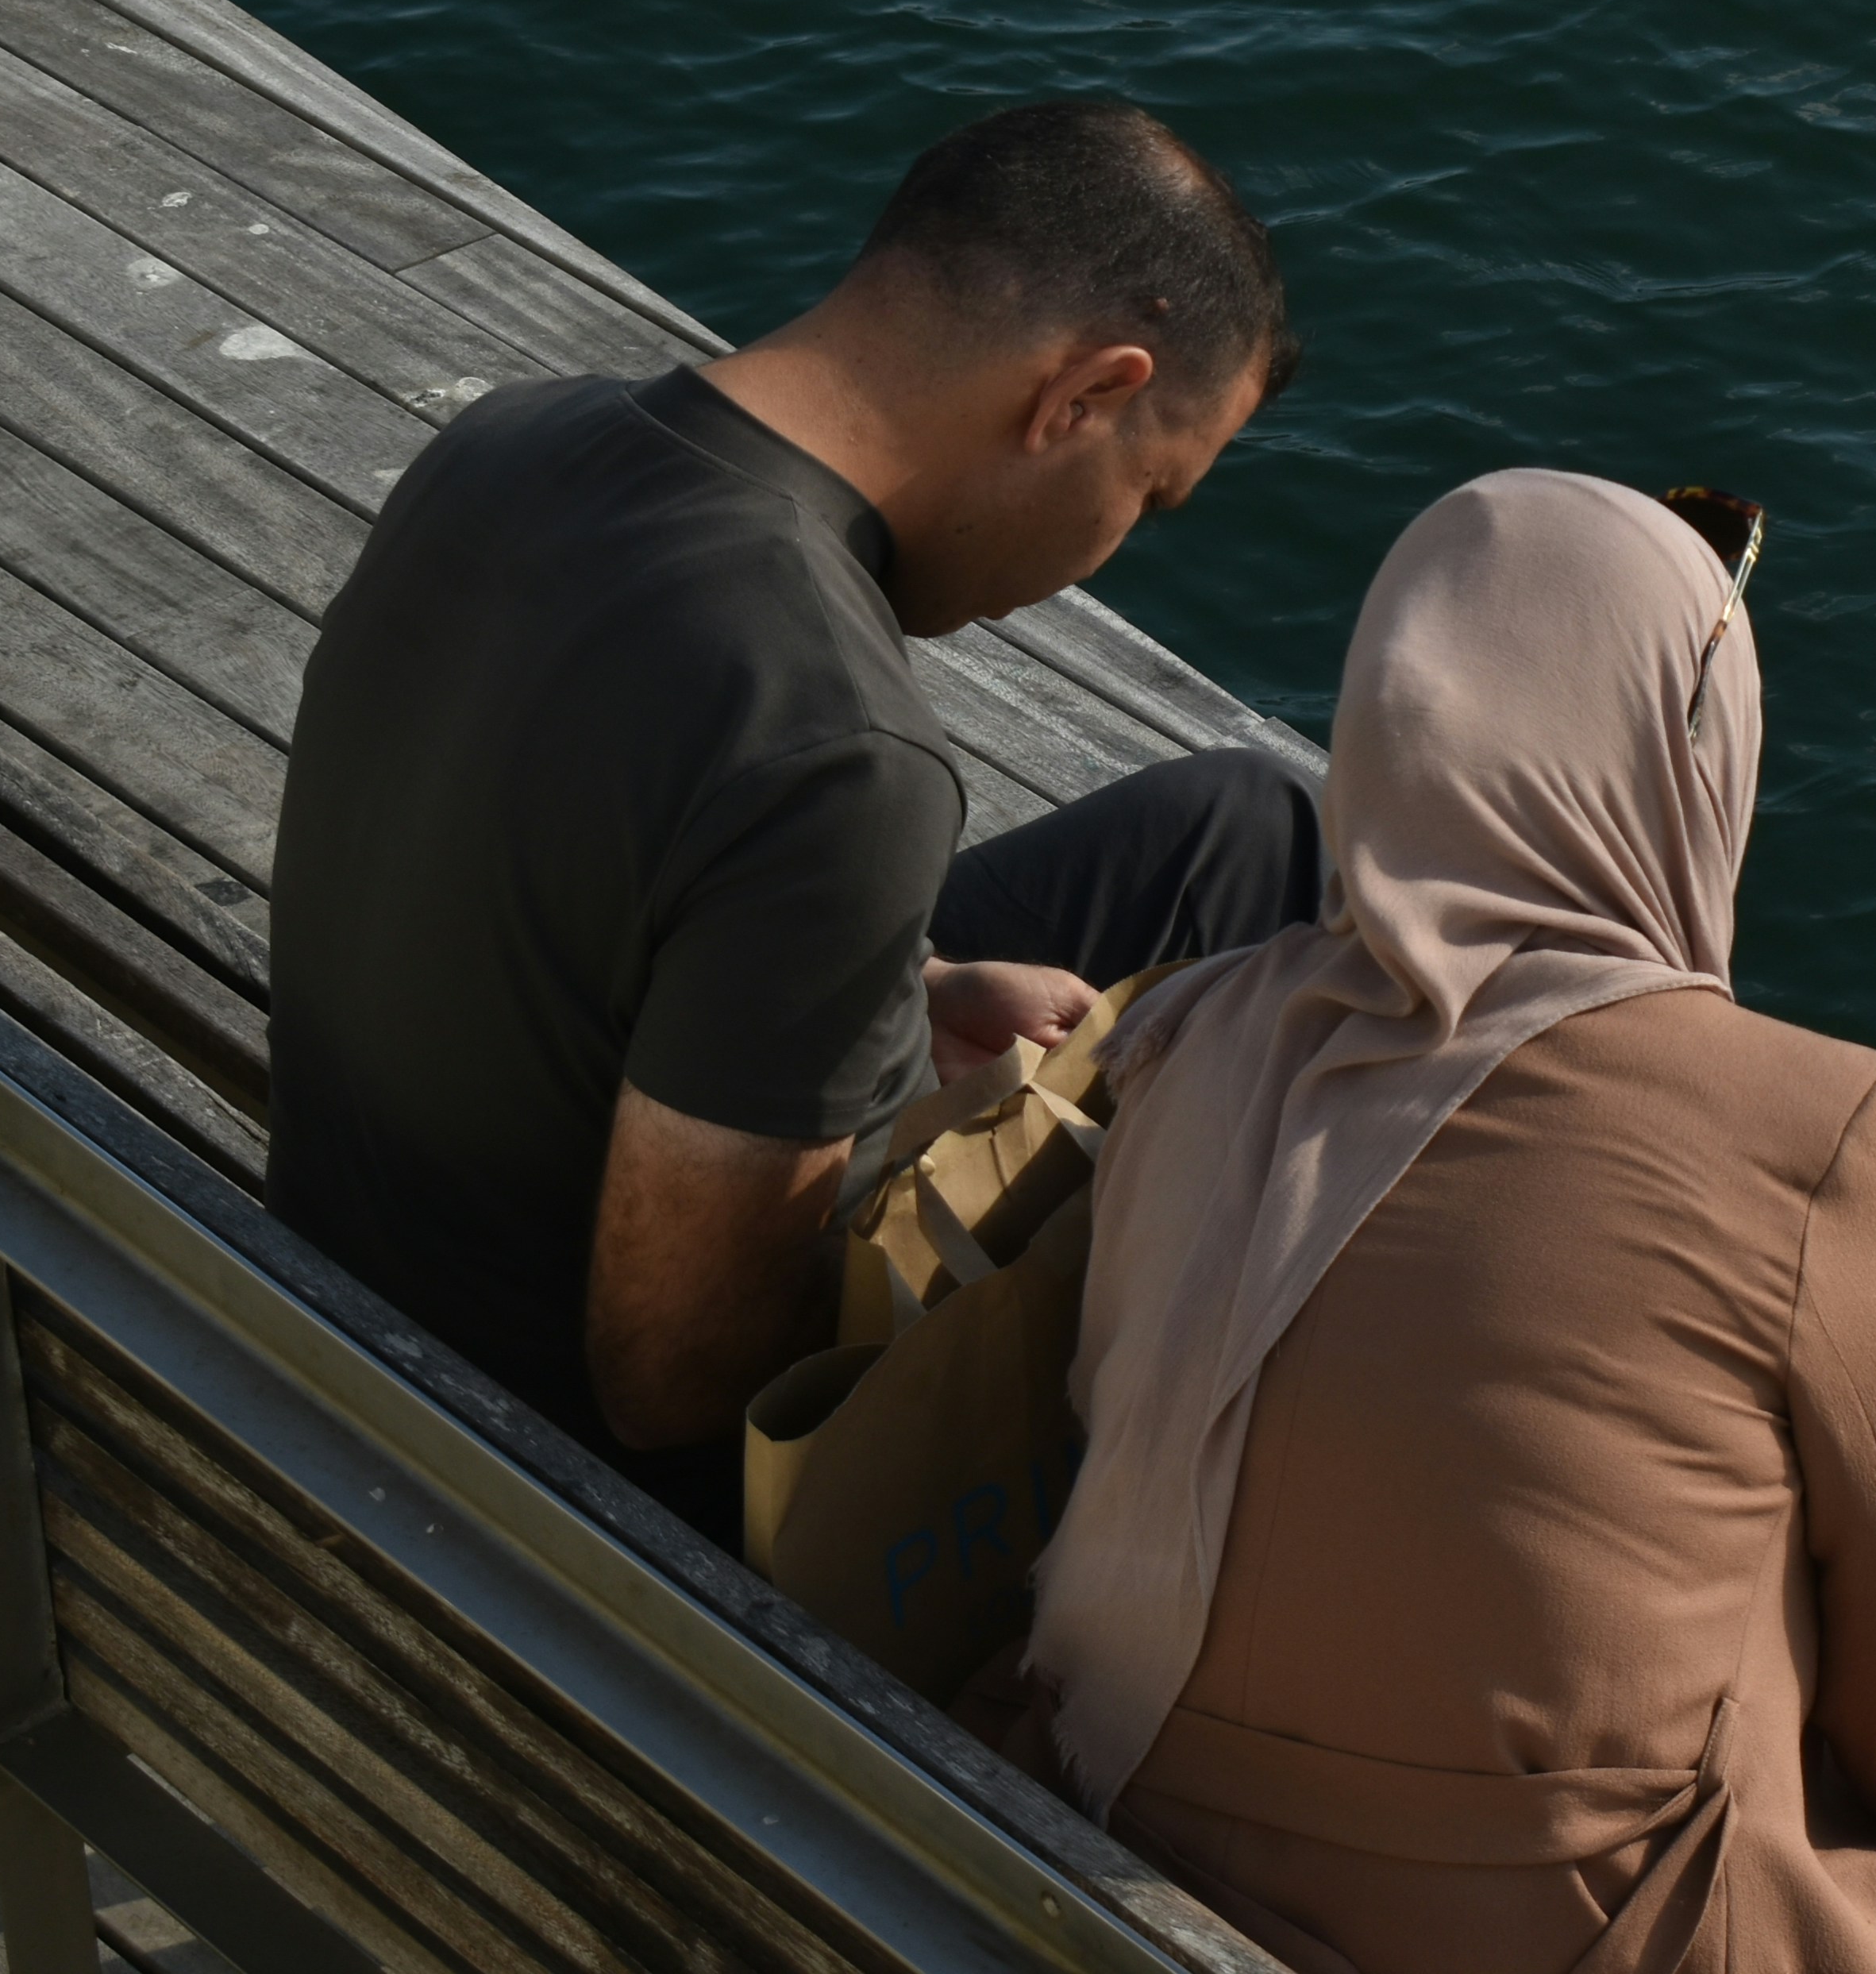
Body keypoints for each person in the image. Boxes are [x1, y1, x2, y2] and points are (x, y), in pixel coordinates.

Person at [1025, 468, 1876, 1974]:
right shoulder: (1820, 1130)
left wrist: (1871, 1317)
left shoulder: (1192, 1041)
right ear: (1698, 755)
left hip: (1135, 1856)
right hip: (1595, 1948)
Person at [267, 99, 1321, 1544]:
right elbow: (681, 1385)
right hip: (550, 1487)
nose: (1110, 547)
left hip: (334, 1269)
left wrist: (910, 992)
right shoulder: (841, 745)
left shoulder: (511, 442)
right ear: (1084, 394)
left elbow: (576, 862)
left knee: (1245, 825)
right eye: (1151, 488)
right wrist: (973, 1160)